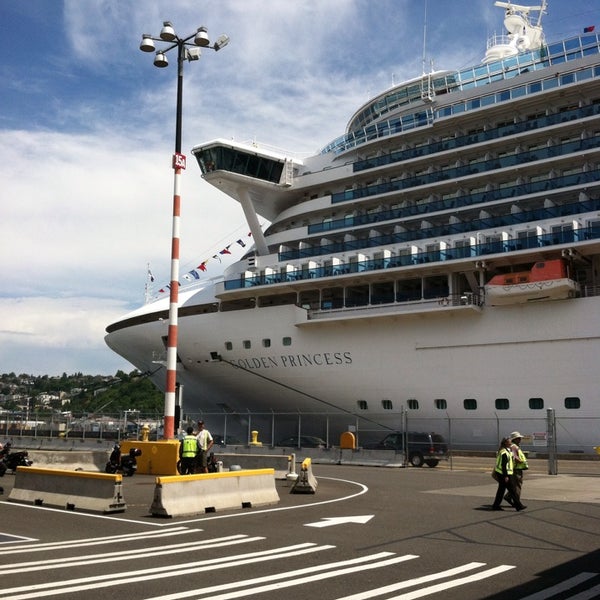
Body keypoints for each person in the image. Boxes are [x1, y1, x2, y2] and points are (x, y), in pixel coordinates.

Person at [492, 437, 526, 511]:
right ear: (506, 443)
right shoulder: (504, 452)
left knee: (501, 491)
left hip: (504, 473)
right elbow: (504, 465)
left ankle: (495, 505)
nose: (511, 443)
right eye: (509, 442)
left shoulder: (507, 450)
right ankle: (518, 506)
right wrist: (506, 476)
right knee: (512, 490)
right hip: (504, 474)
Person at [505, 430, 528, 507]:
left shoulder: (512, 446)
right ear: (515, 439)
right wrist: (521, 461)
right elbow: (515, 457)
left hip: (515, 468)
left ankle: (509, 496)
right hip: (517, 469)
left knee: (514, 485)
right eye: (518, 438)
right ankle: (516, 502)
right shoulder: (514, 447)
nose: (520, 440)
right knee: (517, 485)